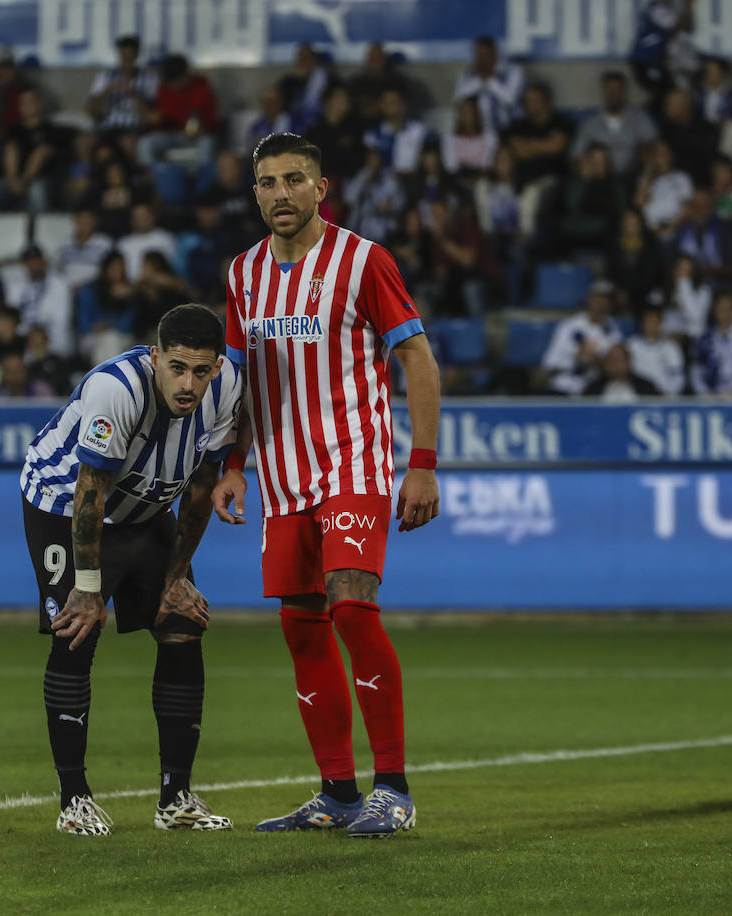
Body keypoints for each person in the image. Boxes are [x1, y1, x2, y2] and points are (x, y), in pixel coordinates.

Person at [213, 132, 441, 837]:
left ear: (321, 188)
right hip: (282, 478)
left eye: (294, 179)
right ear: (255, 193)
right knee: (301, 626)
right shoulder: (243, 273)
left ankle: (393, 788)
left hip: (352, 463)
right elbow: (239, 380)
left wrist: (423, 463)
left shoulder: (364, 260)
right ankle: (338, 792)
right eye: (268, 182)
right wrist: (233, 463)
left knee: (351, 607)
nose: (281, 193)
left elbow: (418, 358)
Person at [21, 304, 239, 836]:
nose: (188, 384)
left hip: (145, 507)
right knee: (78, 630)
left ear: (217, 366)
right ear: (156, 357)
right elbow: (89, 492)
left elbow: (202, 486)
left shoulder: (229, 386)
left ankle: (176, 799)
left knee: (182, 623)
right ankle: (74, 800)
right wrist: (88, 588)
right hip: (64, 504)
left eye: (201, 371)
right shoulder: (115, 389)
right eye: (177, 368)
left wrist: (176, 577)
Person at [542, 281, 624, 395]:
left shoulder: (613, 330)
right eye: (597, 299)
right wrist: (577, 357)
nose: (601, 304)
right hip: (563, 386)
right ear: (589, 299)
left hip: (595, 390)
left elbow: (619, 365)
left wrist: (599, 362)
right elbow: (549, 363)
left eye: (606, 300)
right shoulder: (569, 326)